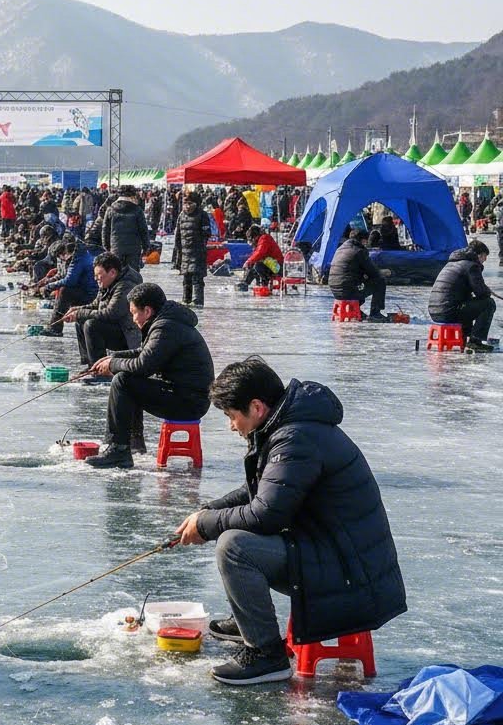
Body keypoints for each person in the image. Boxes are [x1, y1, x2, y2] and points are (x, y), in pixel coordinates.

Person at [175, 357, 407, 685]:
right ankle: (249, 622)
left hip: (348, 573)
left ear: (256, 407)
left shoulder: (295, 438)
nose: (231, 426)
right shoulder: (291, 426)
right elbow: (260, 490)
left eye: (231, 416)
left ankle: (266, 655)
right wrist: (207, 511)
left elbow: (265, 514)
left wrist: (208, 525)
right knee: (233, 527)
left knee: (235, 546)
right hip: (333, 553)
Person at [86, 282, 214, 468]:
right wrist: (112, 357)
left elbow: (143, 365)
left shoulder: (166, 327)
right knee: (130, 379)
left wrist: (113, 364)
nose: (133, 318)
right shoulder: (167, 321)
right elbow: (145, 352)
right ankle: (132, 442)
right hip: (184, 394)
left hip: (190, 402)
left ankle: (119, 449)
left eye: (134, 313)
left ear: (147, 310)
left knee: (124, 381)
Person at [63, 251, 142, 365]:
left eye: (99, 275)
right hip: (114, 327)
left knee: (91, 325)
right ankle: (89, 363)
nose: (96, 279)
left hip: (127, 334)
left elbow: (111, 313)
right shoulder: (107, 283)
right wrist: (77, 310)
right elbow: (96, 304)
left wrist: (80, 313)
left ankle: (99, 368)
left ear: (112, 272)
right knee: (80, 321)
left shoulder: (126, 286)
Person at [428, 239, 496, 352]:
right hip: (448, 311)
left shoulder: (452, 263)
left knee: (467, 301)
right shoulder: (472, 266)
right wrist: (486, 291)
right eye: (484, 256)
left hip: (436, 311)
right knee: (488, 304)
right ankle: (475, 341)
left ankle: (464, 337)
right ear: (478, 255)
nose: (485, 260)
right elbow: (481, 293)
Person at [40, 236, 96, 337]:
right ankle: (55, 325)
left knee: (65, 291)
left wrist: (49, 287)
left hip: (90, 294)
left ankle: (55, 328)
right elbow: (64, 275)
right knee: (64, 290)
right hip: (88, 290)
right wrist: (46, 283)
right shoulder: (81, 254)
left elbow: (70, 281)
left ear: (63, 253)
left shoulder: (78, 259)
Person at [328, 229, 387, 321]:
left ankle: (354, 309)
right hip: (348, 290)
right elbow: (374, 273)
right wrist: (384, 272)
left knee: (359, 285)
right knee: (380, 282)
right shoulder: (359, 251)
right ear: (363, 240)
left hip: (335, 290)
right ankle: (375, 313)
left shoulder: (340, 249)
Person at [174, 193, 211, 307]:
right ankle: (186, 299)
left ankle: (198, 300)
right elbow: (178, 234)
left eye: (190, 203)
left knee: (197, 277)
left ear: (196, 204)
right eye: (185, 203)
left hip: (197, 250)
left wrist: (201, 243)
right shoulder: (181, 215)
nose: (187, 206)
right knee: (186, 277)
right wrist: (177, 250)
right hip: (184, 251)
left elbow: (207, 233)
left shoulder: (202, 215)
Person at [102, 185, 151, 269]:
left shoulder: (110, 210)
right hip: (133, 249)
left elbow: (105, 230)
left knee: (117, 272)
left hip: (116, 247)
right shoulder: (137, 210)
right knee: (133, 274)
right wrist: (146, 247)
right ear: (132, 196)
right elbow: (143, 230)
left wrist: (106, 246)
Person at [237, 225, 284, 291]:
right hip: (272, 265)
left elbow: (260, 253)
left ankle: (264, 284)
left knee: (258, 265)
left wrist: (248, 261)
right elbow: (256, 254)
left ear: (255, 236)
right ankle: (246, 283)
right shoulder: (261, 240)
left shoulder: (264, 238)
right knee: (254, 265)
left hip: (278, 267)